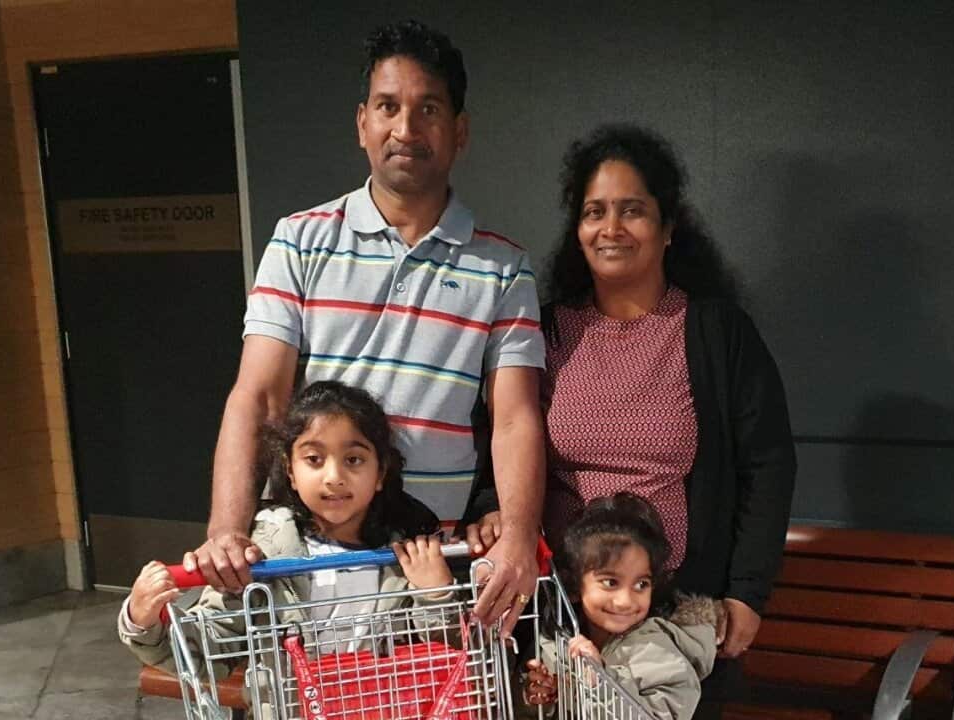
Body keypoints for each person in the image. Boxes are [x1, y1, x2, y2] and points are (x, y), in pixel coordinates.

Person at [190, 20, 546, 629]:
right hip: (311, 562)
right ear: (363, 124)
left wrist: (518, 536)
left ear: (459, 132)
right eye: (388, 107)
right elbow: (259, 395)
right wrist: (227, 529)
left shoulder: (504, 268)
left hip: (432, 565)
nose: (405, 128)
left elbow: (514, 418)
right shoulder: (299, 241)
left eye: (428, 108)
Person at [531, 124, 796, 715]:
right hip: (562, 618)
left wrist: (748, 593)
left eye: (633, 210)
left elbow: (768, 467)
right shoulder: (543, 331)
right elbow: (506, 445)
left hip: (678, 623)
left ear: (669, 227)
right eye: (594, 211)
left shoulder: (715, 332)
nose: (611, 228)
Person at [118, 381, 458, 680]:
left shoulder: (406, 558)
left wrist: (437, 595)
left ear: (380, 472)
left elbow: (446, 659)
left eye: (353, 460)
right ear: (290, 471)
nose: (334, 476)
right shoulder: (263, 556)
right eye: (314, 459)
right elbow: (207, 652)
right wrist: (145, 621)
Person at [519, 494, 718, 720]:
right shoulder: (555, 640)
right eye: (610, 582)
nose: (625, 600)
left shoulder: (659, 653)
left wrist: (600, 683)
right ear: (574, 586)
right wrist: (538, 697)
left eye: (641, 584)